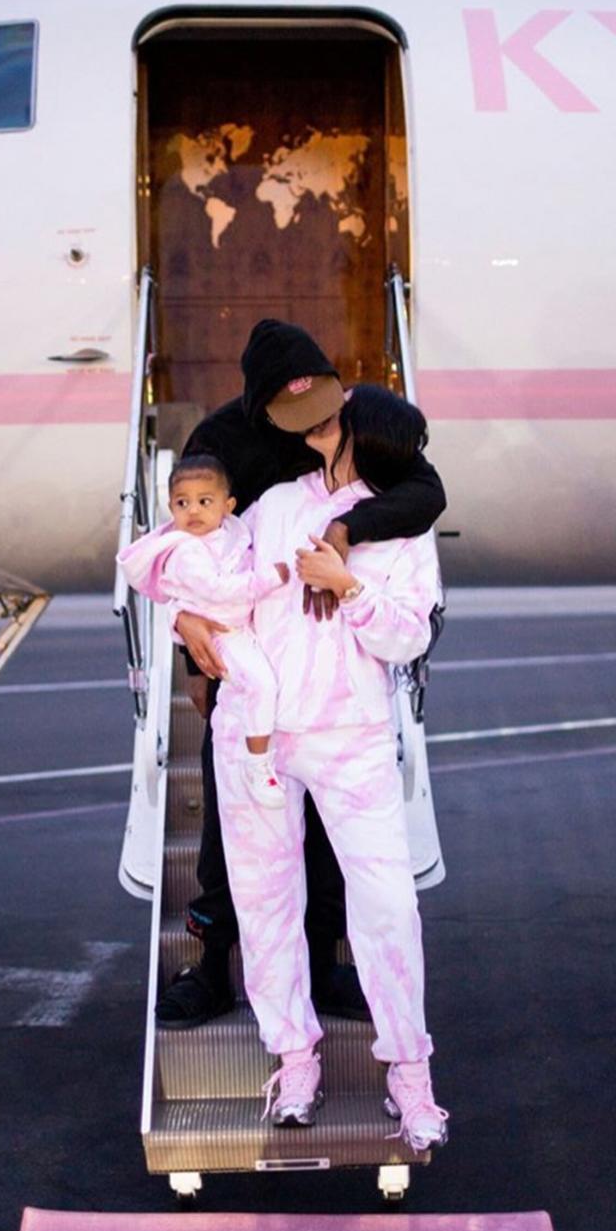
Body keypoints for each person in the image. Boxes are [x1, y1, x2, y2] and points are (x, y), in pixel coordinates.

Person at [159, 319, 446, 1030]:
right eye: (300, 416)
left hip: (327, 675)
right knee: (234, 841)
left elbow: (425, 488)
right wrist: (184, 636)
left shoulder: (351, 417)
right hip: (248, 664)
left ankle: (320, 969)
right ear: (259, 405)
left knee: (322, 838)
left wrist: (351, 528)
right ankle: (215, 967)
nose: (318, 424)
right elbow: (183, 546)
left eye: (325, 406)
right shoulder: (219, 446)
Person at [212, 384, 448, 1151]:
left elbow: (409, 637)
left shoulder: (401, 525)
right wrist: (191, 622)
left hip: (353, 733)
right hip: (259, 734)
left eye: (339, 418)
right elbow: (212, 581)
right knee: (265, 900)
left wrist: (347, 586)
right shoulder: (274, 505)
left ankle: (410, 1072)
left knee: (386, 904)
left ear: (362, 434)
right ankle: (294, 1055)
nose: (322, 422)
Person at [116, 454, 290, 807]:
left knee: (268, 687)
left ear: (228, 506)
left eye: (204, 501)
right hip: (221, 634)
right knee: (261, 684)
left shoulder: (231, 533)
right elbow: (217, 590)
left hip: (243, 625)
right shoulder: (185, 551)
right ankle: (259, 765)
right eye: (183, 503)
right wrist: (270, 578)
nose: (193, 511)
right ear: (170, 507)